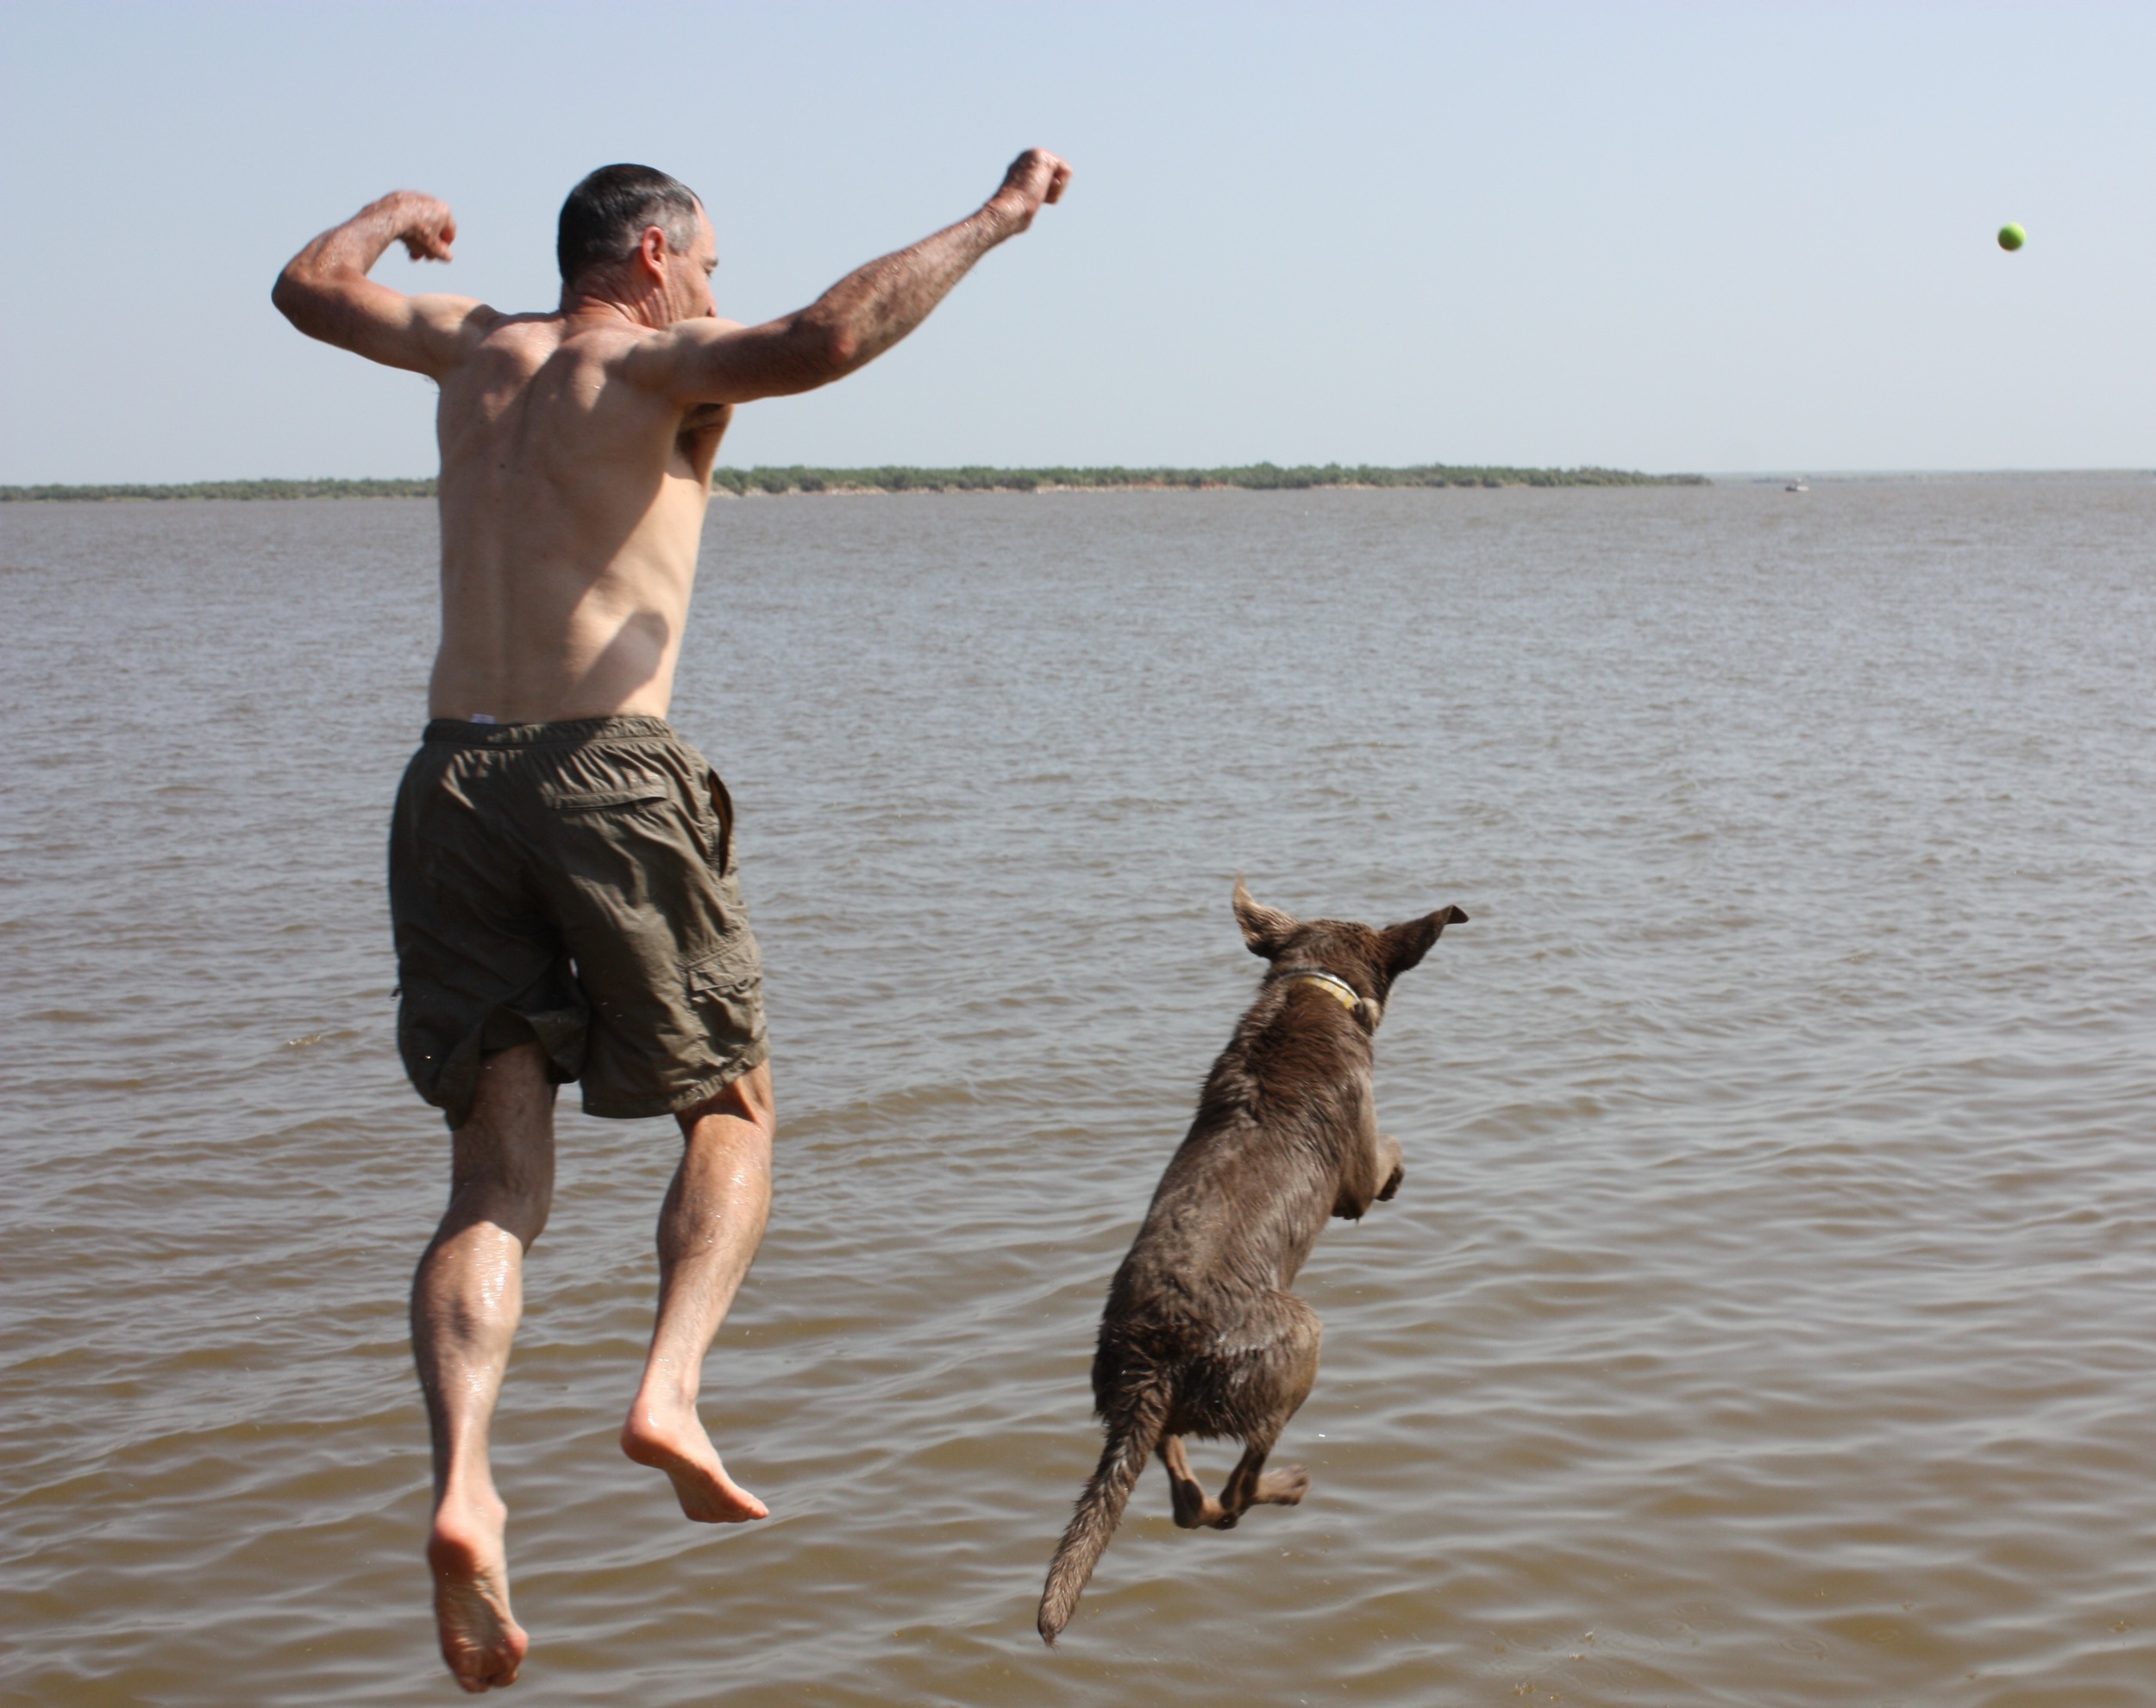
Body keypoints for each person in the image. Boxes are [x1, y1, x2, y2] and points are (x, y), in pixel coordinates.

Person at [272, 148, 1071, 1693]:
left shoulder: (472, 344)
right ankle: (672, 1391)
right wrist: (996, 220)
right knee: (736, 1099)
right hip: (603, 768)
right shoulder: (657, 364)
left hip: (449, 779)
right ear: (650, 256)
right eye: (703, 258)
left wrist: (391, 212)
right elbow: (830, 338)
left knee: (492, 1174)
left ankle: (465, 1485)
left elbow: (307, 291)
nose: (712, 283)